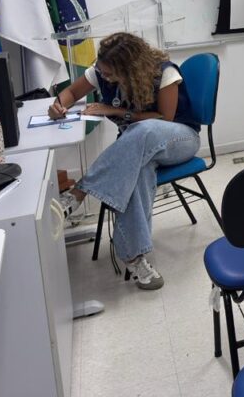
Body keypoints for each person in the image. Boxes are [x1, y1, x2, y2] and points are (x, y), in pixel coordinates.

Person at [49, 32, 201, 290]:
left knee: (145, 130)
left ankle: (79, 191)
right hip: (138, 150)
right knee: (137, 172)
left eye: (110, 74)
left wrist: (116, 111)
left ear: (130, 68)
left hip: (180, 139)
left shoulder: (164, 73)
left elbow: (163, 120)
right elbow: (72, 92)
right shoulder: (101, 71)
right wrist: (58, 105)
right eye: (103, 72)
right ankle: (135, 259)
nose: (105, 78)